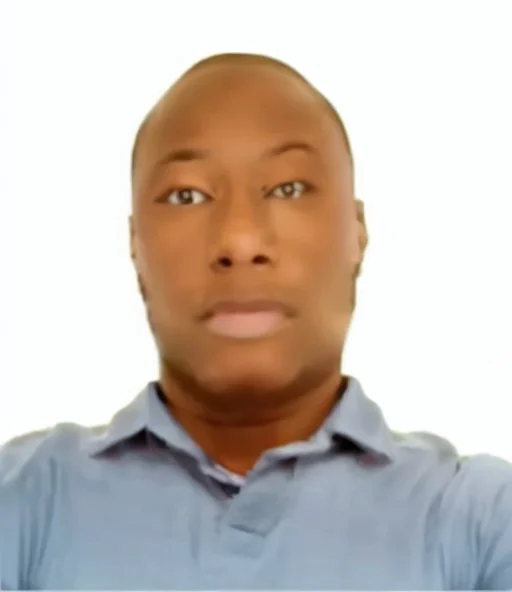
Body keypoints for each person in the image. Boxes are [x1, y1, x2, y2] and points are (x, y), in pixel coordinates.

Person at [1, 53, 511, 591]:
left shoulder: (480, 523)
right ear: (135, 245)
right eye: (187, 195)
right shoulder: (27, 499)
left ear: (356, 233)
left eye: (288, 188)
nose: (239, 242)